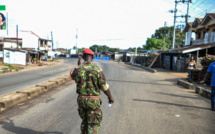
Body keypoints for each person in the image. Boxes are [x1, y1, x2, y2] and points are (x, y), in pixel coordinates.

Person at [71, 48, 114, 134]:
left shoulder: (77, 69)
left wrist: (79, 65)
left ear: (83, 57)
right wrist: (110, 97)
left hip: (81, 99)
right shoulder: (97, 70)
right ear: (93, 57)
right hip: (93, 100)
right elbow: (104, 86)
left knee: (85, 121)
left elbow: (73, 76)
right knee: (93, 124)